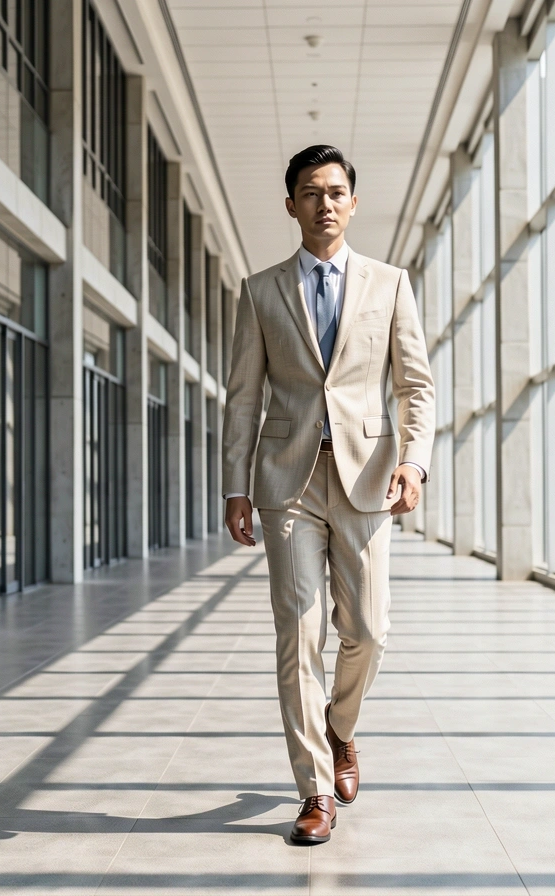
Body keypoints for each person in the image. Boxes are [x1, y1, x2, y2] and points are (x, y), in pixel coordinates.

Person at [220, 144, 436, 845]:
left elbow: (416, 386)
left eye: (337, 191)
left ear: (353, 201)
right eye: (311, 193)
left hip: (367, 480)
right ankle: (314, 790)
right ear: (291, 205)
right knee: (299, 633)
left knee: (368, 631)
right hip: (287, 483)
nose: (325, 203)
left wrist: (415, 463)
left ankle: (341, 728)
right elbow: (242, 398)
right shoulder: (260, 291)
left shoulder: (390, 283)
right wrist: (235, 486)